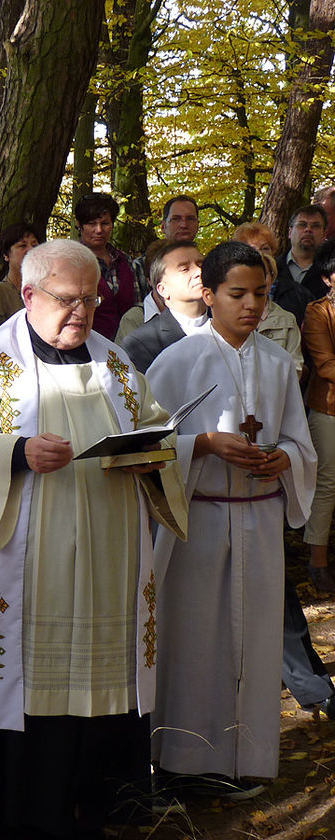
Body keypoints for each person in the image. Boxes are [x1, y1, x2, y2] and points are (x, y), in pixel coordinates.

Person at [0, 239, 186, 839]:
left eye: (91, 300)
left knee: (102, 691)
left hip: (107, 564)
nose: (82, 313)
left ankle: (96, 805)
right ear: (28, 294)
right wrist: (13, 452)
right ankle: (14, 812)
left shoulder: (116, 364)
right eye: (68, 300)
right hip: (25, 565)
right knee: (21, 686)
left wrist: (153, 456)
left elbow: (156, 431)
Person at [147, 241, 315, 794]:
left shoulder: (276, 362)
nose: (252, 306)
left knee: (256, 640)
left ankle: (250, 757)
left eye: (261, 294)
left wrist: (284, 456)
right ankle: (186, 760)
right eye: (237, 293)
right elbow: (151, 447)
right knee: (196, 639)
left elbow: (299, 438)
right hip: (200, 522)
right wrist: (206, 444)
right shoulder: (177, 361)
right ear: (208, 292)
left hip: (260, 519)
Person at [302, 240, 335, 594]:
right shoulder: (318, 312)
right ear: (327, 278)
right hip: (329, 409)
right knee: (327, 486)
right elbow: (325, 365)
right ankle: (318, 560)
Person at [122, 240, 207, 373]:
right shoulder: (141, 343)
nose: (198, 272)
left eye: (201, 264)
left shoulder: (229, 326)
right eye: (184, 269)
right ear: (162, 289)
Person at [74, 192, 138, 340]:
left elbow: (137, 307)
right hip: (87, 344)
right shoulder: (71, 263)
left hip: (128, 346)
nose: (99, 230)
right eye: (91, 224)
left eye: (105, 223)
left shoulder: (126, 262)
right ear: (80, 225)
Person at [274, 205, 328, 322]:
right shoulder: (272, 270)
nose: (308, 229)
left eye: (315, 226)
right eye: (302, 225)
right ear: (290, 232)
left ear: (324, 235)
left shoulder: (330, 273)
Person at [0, 222, 42, 324]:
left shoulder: (48, 291)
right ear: (6, 255)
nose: (30, 250)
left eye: (34, 245)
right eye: (22, 246)